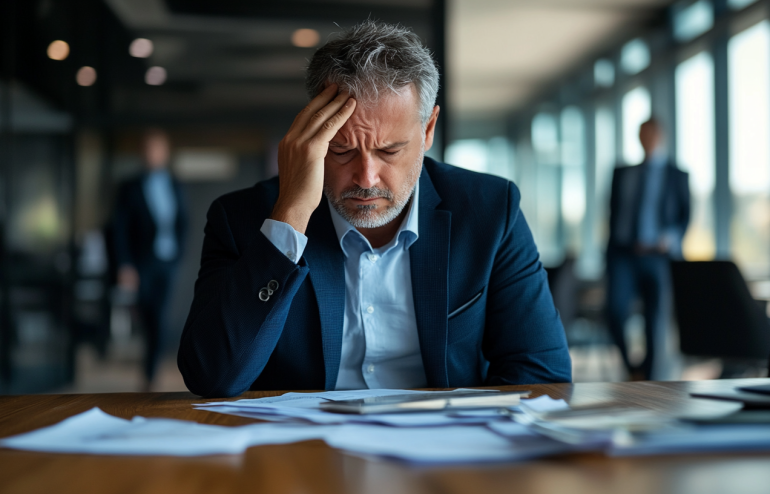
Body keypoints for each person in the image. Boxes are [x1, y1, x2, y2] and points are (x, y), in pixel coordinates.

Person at [178, 21, 571, 398]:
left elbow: (541, 373)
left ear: (428, 130)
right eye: (342, 150)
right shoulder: (243, 220)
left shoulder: (490, 211)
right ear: (311, 137)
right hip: (303, 456)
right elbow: (212, 376)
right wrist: (291, 218)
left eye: (390, 151)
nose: (366, 177)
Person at [606, 118, 690, 381]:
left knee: (655, 321)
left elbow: (686, 215)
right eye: (642, 134)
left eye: (652, 133)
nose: (647, 138)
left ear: (661, 136)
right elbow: (612, 213)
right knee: (615, 311)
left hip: (659, 256)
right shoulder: (622, 173)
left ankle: (649, 377)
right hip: (624, 254)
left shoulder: (677, 175)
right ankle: (633, 369)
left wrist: (671, 237)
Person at [113, 129, 188, 391]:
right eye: (148, 148)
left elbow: (182, 223)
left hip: (167, 262)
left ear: (165, 153)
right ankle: (150, 366)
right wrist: (125, 265)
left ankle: (150, 373)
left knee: (160, 315)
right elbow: (119, 229)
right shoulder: (129, 187)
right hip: (141, 263)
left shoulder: (175, 184)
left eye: (157, 148)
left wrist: (178, 255)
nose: (152, 154)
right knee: (147, 316)